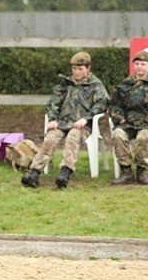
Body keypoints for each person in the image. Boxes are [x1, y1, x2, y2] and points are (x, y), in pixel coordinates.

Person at [21, 51, 109, 189]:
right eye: (74, 69)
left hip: (82, 126)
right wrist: (52, 118)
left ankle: (65, 172)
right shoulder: (65, 85)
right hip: (62, 123)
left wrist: (86, 119)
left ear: (88, 68)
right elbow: (53, 103)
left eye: (80, 69)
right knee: (50, 139)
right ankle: (34, 173)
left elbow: (102, 104)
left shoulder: (95, 86)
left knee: (73, 137)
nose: (77, 72)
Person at [108, 49, 148, 185]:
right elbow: (114, 105)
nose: (140, 67)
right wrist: (119, 119)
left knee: (143, 137)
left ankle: (142, 171)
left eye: (143, 64)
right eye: (137, 64)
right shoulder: (125, 85)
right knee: (118, 135)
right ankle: (126, 172)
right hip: (127, 123)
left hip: (145, 124)